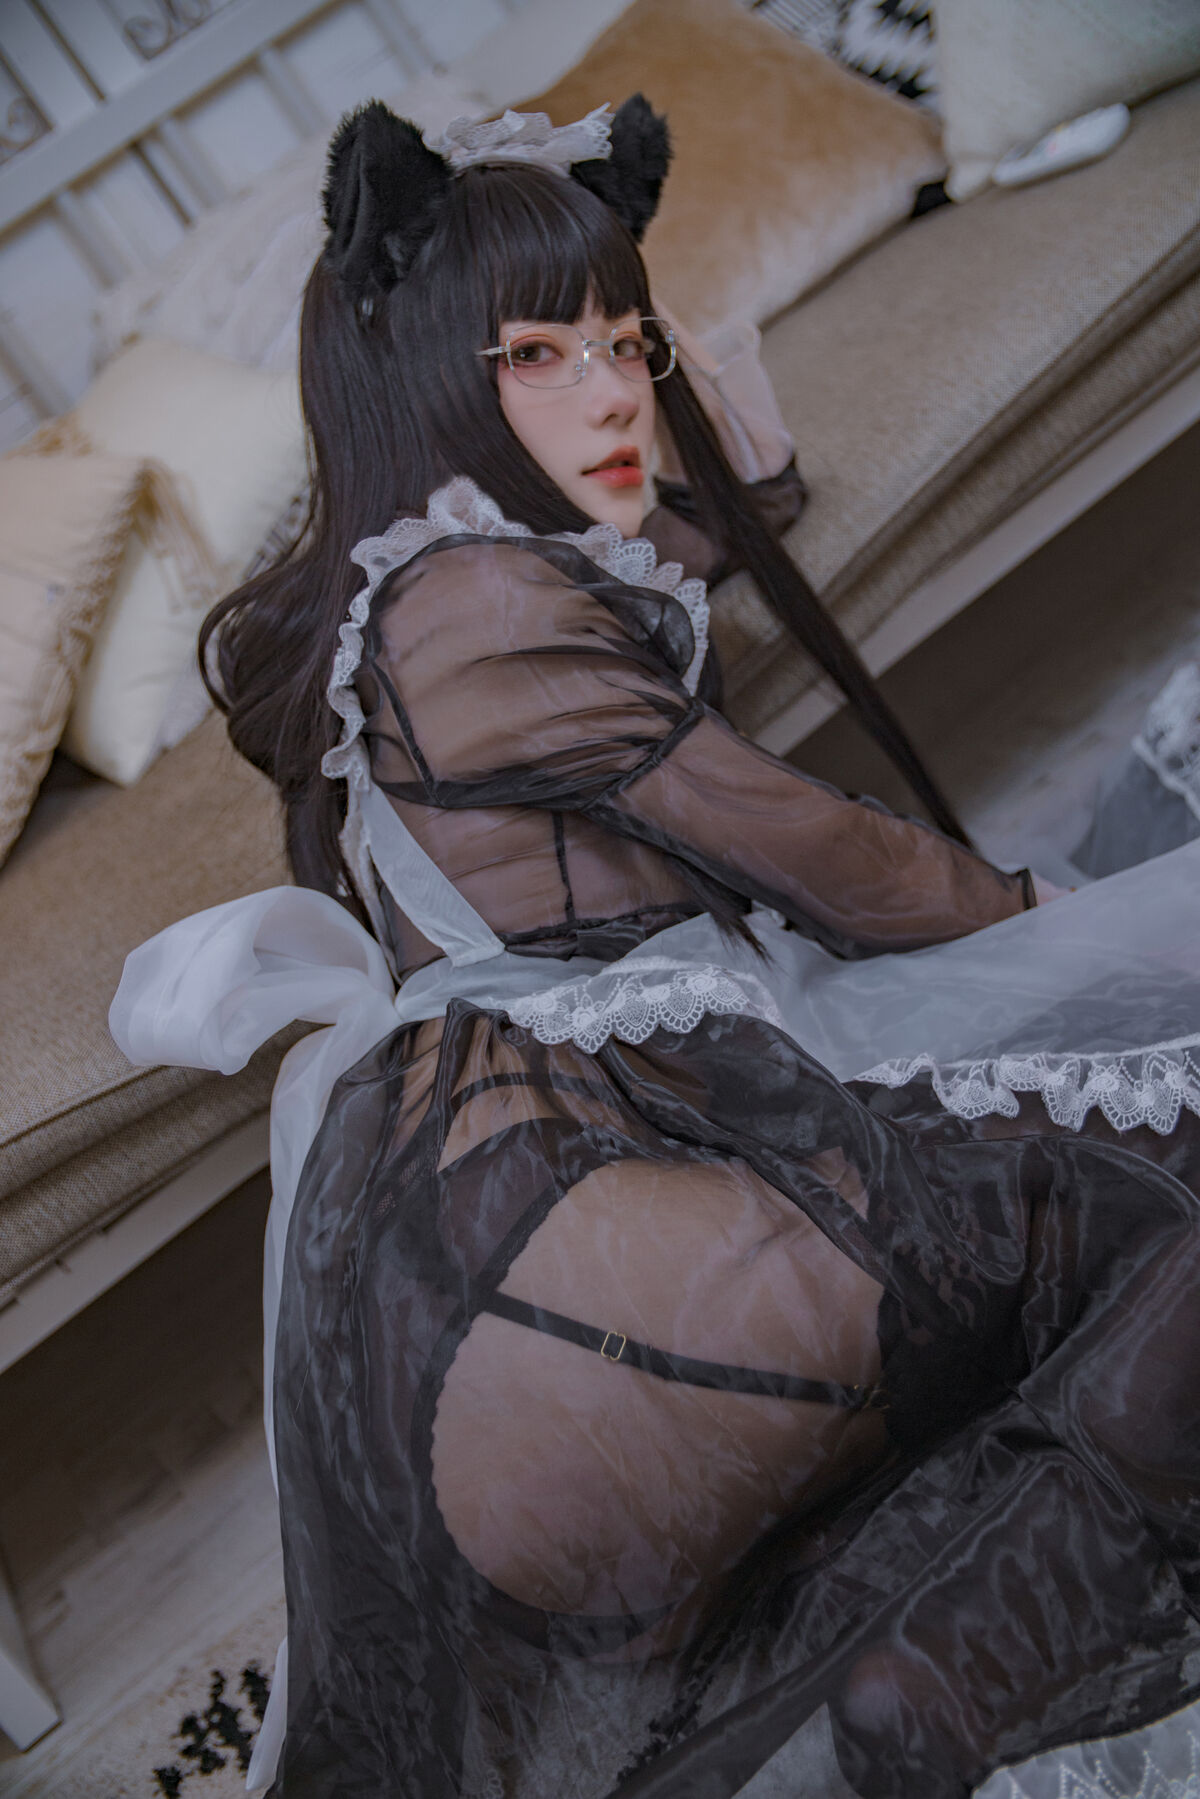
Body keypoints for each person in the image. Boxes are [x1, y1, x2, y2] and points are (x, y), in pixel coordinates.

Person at [110, 97, 1200, 1799]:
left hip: (466, 1289)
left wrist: (663, 410)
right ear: (431, 383)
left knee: (1045, 1260)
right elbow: (818, 852)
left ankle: (889, 1675)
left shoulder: (413, 596)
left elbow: (704, 524)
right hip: (582, 1249)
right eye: (541, 355)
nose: (617, 390)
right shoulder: (476, 603)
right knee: (1152, 1179)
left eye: (627, 341)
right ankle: (954, 1665)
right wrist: (1029, 916)